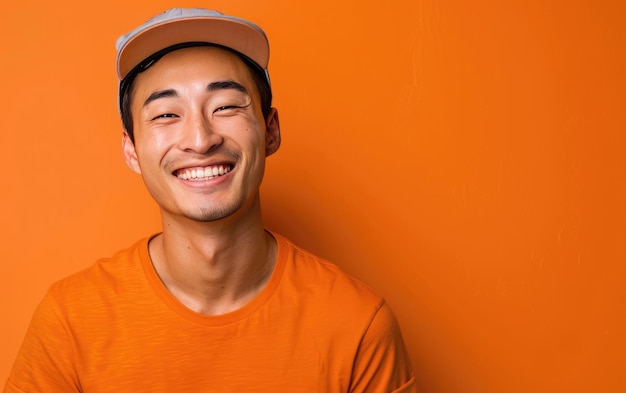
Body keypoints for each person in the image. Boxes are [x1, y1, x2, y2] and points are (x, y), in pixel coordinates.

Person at [4, 8, 416, 392]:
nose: (201, 139)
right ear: (131, 150)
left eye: (226, 106)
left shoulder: (358, 324)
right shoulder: (70, 321)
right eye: (166, 114)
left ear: (270, 131)